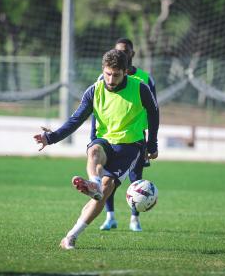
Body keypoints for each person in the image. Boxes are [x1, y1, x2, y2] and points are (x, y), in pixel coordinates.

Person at [33, 49, 159, 250]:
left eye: (116, 75)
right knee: (93, 153)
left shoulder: (140, 88)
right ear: (103, 69)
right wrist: (51, 137)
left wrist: (152, 144)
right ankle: (94, 183)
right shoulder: (95, 90)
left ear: (125, 72)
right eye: (108, 73)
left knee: (106, 190)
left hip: (130, 146)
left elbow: (154, 113)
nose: (111, 79)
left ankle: (71, 236)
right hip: (105, 141)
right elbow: (76, 119)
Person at [93, 38, 157, 232]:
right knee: (109, 178)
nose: (123, 54)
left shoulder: (144, 79)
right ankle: (110, 216)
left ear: (132, 54)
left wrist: (150, 141)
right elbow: (95, 112)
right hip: (109, 137)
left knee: (136, 176)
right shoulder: (104, 79)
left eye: (126, 51)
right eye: (119, 50)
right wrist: (92, 138)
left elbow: (154, 109)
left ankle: (134, 219)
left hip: (136, 136)